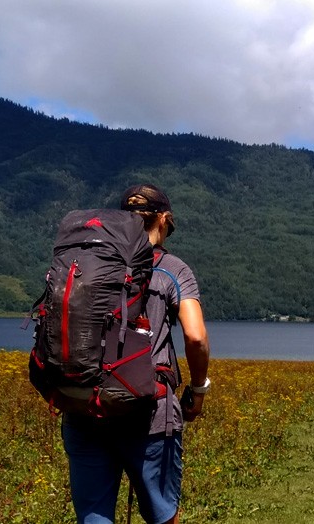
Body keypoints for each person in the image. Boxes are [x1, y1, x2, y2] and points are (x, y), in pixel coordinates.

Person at [61, 184, 211, 524]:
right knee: (162, 517)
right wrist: (198, 391)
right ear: (163, 219)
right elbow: (196, 336)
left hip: (85, 406)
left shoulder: (87, 261)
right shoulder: (172, 267)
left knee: (94, 517)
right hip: (148, 412)